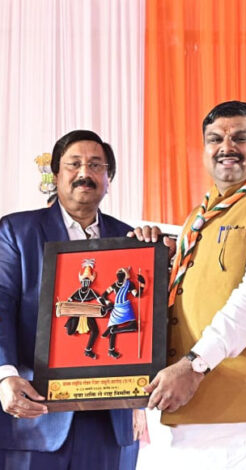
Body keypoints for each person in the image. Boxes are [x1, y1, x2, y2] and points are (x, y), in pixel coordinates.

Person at [133, 101, 246, 469]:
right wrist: (151, 261)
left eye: (240, 138)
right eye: (215, 139)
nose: (226, 147)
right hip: (189, 418)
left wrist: (194, 366)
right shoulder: (199, 217)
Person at [0, 130, 138, 469]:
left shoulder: (131, 238)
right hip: (35, 411)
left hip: (109, 418)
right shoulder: (16, 231)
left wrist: (160, 254)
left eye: (96, 165)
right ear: (56, 174)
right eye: (74, 164)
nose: (84, 173)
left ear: (108, 178)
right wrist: (5, 374)